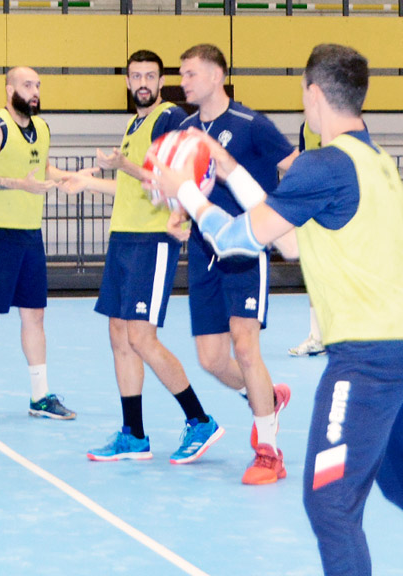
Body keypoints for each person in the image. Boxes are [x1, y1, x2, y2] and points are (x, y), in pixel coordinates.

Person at [151, 42, 403, 576]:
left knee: (330, 504)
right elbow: (289, 241)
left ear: (312, 95)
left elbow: (237, 242)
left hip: (367, 360)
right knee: (398, 485)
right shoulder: (374, 162)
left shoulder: (322, 164)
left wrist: (187, 193)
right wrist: (227, 168)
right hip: (394, 353)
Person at [66, 50, 224, 464]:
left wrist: (124, 165)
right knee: (119, 333)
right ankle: (133, 434)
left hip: (153, 240)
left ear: (160, 81)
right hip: (123, 238)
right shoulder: (133, 126)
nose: (142, 82)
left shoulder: (169, 118)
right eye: (135, 75)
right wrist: (84, 182)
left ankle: (199, 419)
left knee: (141, 336)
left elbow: (166, 179)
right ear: (127, 81)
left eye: (150, 76)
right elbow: (130, 187)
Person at [173, 43, 296, 484]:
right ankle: (265, 396)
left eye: (190, 74)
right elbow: (185, 182)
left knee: (245, 347)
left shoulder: (251, 124)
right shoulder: (185, 129)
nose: (183, 82)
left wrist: (283, 214)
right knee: (211, 358)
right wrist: (177, 213)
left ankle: (269, 452)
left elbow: (294, 165)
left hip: (246, 246)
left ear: (215, 76)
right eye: (182, 74)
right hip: (204, 250)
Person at [0, 66, 81, 425]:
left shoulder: (41, 128)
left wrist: (69, 178)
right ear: (9, 89)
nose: (35, 91)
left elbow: (40, 170)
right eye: (27, 85)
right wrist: (17, 184)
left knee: (35, 315)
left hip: (29, 233)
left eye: (38, 85)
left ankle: (40, 396)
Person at [289, 120, 327, 358]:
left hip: (340, 209)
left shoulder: (347, 120)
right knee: (315, 272)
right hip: (314, 209)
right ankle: (318, 337)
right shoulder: (305, 126)